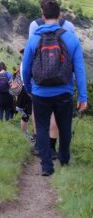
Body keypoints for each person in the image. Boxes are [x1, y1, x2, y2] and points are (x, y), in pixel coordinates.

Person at [22, 0, 87, 176]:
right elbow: (79, 70)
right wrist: (83, 97)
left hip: (40, 92)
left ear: (43, 16)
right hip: (64, 92)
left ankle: (46, 167)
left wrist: (29, 88)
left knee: (41, 128)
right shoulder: (71, 39)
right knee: (64, 126)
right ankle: (64, 158)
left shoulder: (34, 39)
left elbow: (25, 69)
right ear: (60, 15)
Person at [29, 14, 77, 159]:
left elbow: (31, 52)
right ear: (59, 13)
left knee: (37, 111)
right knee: (57, 114)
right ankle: (52, 147)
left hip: (40, 79)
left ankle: (39, 144)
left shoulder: (35, 25)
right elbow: (73, 55)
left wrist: (29, 80)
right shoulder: (69, 27)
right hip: (62, 78)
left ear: (43, 12)